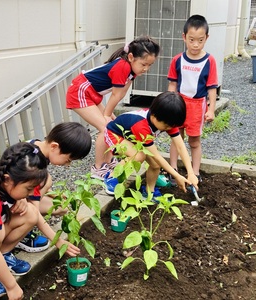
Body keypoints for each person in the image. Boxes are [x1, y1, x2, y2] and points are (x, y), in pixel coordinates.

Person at [66, 36, 160, 181]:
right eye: (143, 64)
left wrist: (109, 116)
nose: (146, 69)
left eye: (150, 65)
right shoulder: (122, 66)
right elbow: (116, 94)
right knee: (106, 128)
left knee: (111, 126)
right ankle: (98, 168)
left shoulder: (132, 70)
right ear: (131, 57)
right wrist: (107, 114)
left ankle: (108, 162)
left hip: (91, 93)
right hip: (81, 90)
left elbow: (121, 93)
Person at [0, 142, 50, 300]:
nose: (30, 193)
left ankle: (3, 256)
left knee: (30, 213)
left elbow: (34, 212)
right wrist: (12, 286)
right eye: (28, 189)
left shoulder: (5, 184)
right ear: (7, 180)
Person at [103, 91, 199, 202]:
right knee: (139, 156)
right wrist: (177, 176)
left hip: (134, 137)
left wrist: (191, 173)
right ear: (153, 116)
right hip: (115, 134)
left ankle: (149, 192)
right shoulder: (141, 125)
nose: (168, 128)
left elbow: (180, 147)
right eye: (166, 126)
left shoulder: (168, 120)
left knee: (155, 165)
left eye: (171, 126)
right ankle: (111, 177)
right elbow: (157, 155)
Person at [14, 121, 92, 253]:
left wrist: (52, 193)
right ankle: (17, 236)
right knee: (33, 215)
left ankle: (21, 229)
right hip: (5, 206)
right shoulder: (33, 165)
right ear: (54, 146)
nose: (67, 165)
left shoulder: (36, 145)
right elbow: (35, 212)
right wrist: (58, 241)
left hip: (17, 197)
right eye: (68, 160)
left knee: (61, 205)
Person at [167, 15, 218, 183]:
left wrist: (211, 110)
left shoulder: (209, 61)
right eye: (191, 40)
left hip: (197, 106)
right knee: (176, 137)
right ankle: (173, 170)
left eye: (200, 40)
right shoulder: (177, 60)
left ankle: (195, 173)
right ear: (184, 37)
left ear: (206, 38)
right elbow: (172, 85)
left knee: (194, 141)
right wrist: (169, 104)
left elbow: (211, 88)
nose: (195, 45)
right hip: (179, 103)